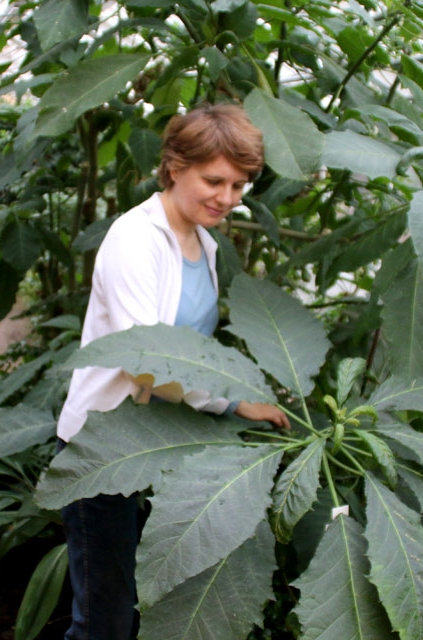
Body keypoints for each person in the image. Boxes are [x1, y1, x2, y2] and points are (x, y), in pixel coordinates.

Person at [55, 103, 289, 640]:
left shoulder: (204, 243)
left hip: (159, 447)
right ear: (174, 165)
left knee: (130, 606)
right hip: (105, 452)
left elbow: (195, 349)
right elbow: (149, 365)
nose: (226, 198)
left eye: (238, 185)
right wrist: (235, 402)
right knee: (104, 624)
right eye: (214, 180)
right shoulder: (134, 239)